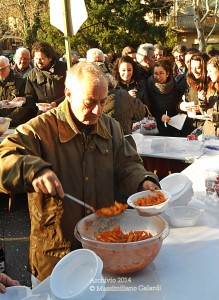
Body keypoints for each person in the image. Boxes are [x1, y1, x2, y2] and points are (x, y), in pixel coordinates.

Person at [0, 62, 160, 286]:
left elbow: (128, 164)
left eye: (103, 102)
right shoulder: (39, 128)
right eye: (89, 103)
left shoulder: (111, 127)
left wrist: (143, 182)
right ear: (68, 94)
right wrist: (33, 170)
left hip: (101, 250)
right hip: (55, 258)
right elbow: (4, 158)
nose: (97, 111)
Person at [147, 58, 194, 136]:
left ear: (167, 74)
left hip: (174, 127)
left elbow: (178, 104)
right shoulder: (149, 86)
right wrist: (160, 116)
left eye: (161, 73)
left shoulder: (175, 86)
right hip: (155, 128)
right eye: (156, 73)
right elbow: (148, 108)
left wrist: (180, 108)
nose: (158, 76)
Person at [25, 41, 67, 112]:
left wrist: (56, 103)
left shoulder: (64, 68)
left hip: (63, 110)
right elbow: (31, 97)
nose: (38, 62)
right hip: (43, 113)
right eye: (36, 58)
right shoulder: (32, 74)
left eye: (42, 59)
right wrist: (24, 100)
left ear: (50, 58)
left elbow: (73, 92)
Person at [0, 56, 37, 126]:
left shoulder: (20, 82)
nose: (0, 72)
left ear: (9, 67)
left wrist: (8, 120)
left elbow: (25, 105)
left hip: (16, 124)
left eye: (2, 69)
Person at [198, 56, 219, 136]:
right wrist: (202, 100)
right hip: (209, 134)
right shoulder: (211, 88)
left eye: (210, 71)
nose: (208, 74)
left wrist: (216, 116)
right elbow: (205, 112)